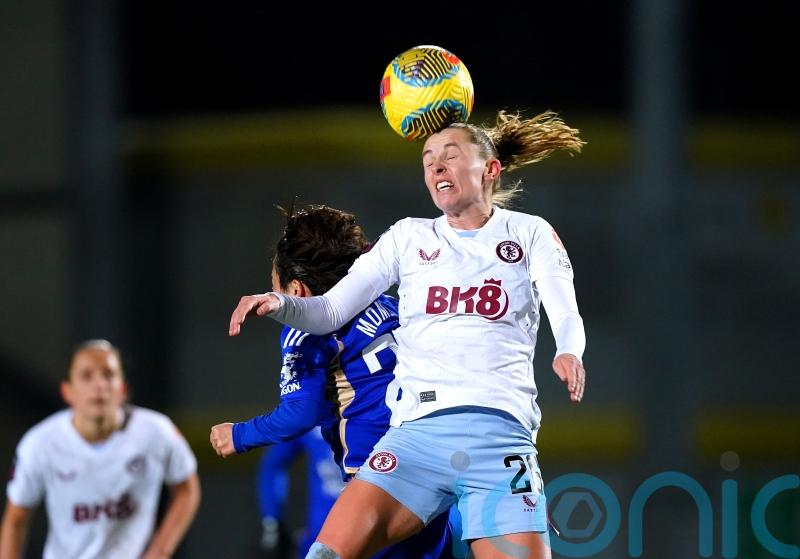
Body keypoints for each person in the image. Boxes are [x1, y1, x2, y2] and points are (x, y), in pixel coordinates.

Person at [228, 110, 588, 559]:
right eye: (427, 159)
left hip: (499, 440)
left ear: (490, 169)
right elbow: (331, 309)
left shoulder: (530, 232)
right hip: (415, 439)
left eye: (450, 156)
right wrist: (281, 304)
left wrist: (569, 351)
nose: (436, 166)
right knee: (324, 554)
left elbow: (564, 306)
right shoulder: (407, 237)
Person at [210, 205, 452, 559]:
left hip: (380, 477)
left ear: (296, 290)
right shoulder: (389, 305)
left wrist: (239, 435)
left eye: (274, 283)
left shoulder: (305, 331)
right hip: (437, 465)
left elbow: (300, 413)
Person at [0, 339, 200, 559]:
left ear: (123, 389)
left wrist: (160, 550)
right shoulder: (40, 444)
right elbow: (16, 518)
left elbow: (186, 489)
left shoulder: (156, 432)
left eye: (108, 375)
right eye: (86, 376)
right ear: (67, 391)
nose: (99, 385)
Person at [257, 428, 343, 558]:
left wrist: (273, 522)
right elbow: (273, 465)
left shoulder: (313, 414)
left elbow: (273, 465)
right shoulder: (313, 413)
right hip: (324, 540)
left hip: (326, 540)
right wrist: (273, 521)